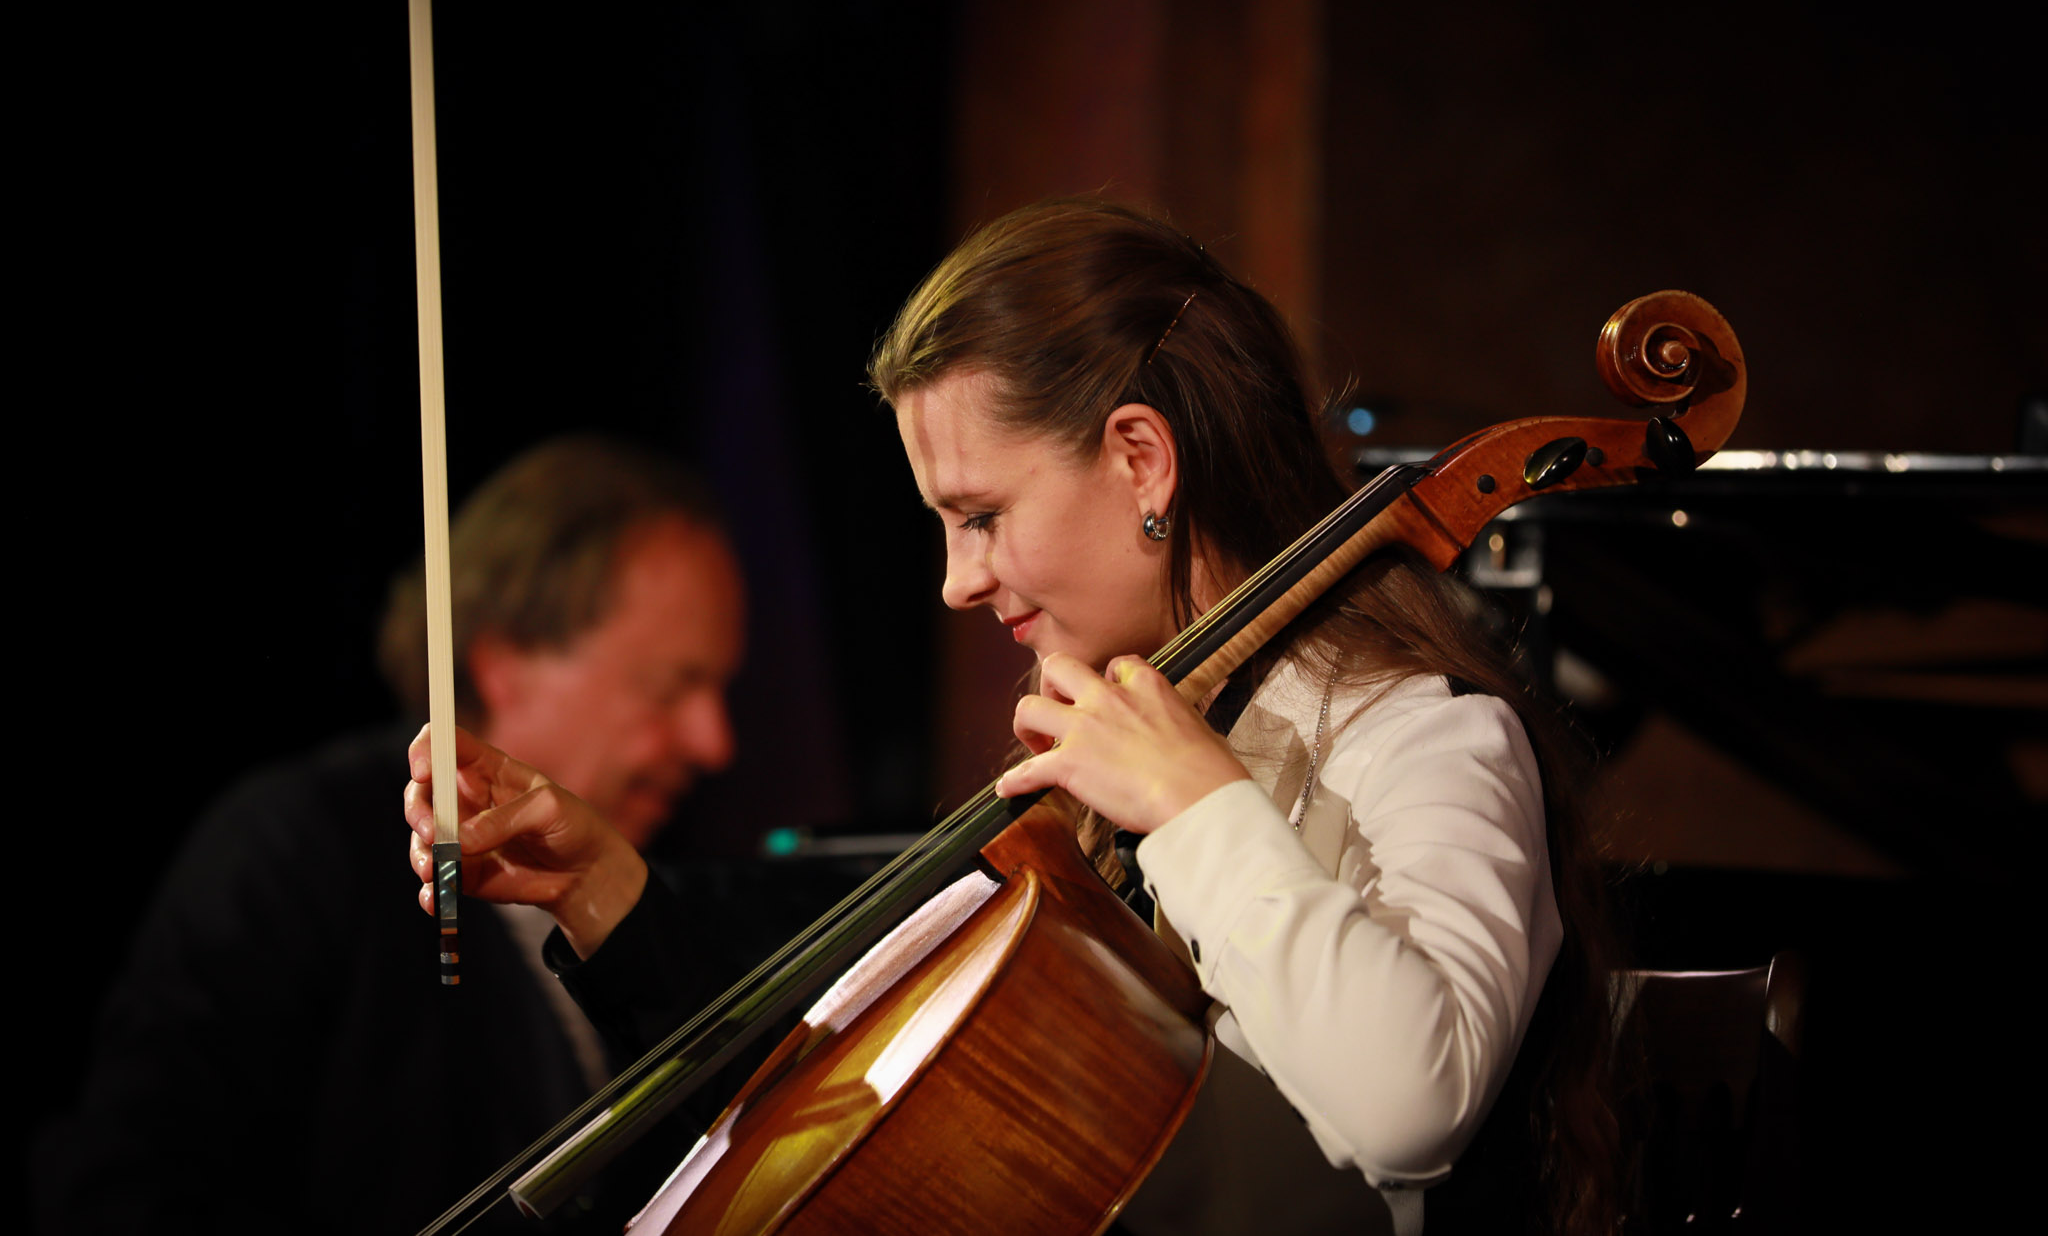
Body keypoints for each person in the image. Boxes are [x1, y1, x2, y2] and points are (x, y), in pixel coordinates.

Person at [406, 201, 1617, 1234]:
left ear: (1141, 459)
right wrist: (603, 893)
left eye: (978, 514)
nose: (955, 579)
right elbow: (830, 1115)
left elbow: (1410, 1106)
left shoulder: (1422, 739)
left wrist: (1197, 807)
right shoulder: (1102, 761)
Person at [38, 435, 746, 1235]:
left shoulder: (665, 897)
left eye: (718, 687)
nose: (713, 741)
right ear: (504, 660)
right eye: (671, 685)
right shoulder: (292, 851)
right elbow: (125, 1193)